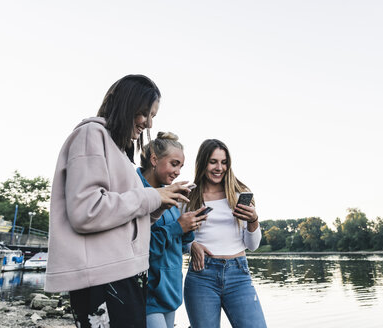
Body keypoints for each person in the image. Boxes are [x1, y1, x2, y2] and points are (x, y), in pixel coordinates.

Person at [45, 74, 190, 328]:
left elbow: (122, 214)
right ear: (125, 103)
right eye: (145, 113)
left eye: (153, 116)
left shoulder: (120, 151)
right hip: (104, 279)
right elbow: (86, 211)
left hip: (126, 274)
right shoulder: (91, 134)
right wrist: (151, 197)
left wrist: (158, 205)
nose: (148, 123)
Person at [183, 139, 267, 328]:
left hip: (238, 274)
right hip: (201, 275)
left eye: (223, 162)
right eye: (213, 161)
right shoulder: (187, 196)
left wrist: (253, 220)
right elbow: (177, 236)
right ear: (202, 162)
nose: (219, 167)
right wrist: (191, 245)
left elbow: (252, 246)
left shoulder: (239, 195)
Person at [137, 132, 209, 328]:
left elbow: (181, 245)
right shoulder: (136, 192)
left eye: (181, 166)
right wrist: (178, 227)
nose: (178, 172)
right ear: (154, 159)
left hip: (170, 292)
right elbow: (137, 248)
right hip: (147, 295)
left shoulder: (171, 195)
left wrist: (190, 225)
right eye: (174, 164)